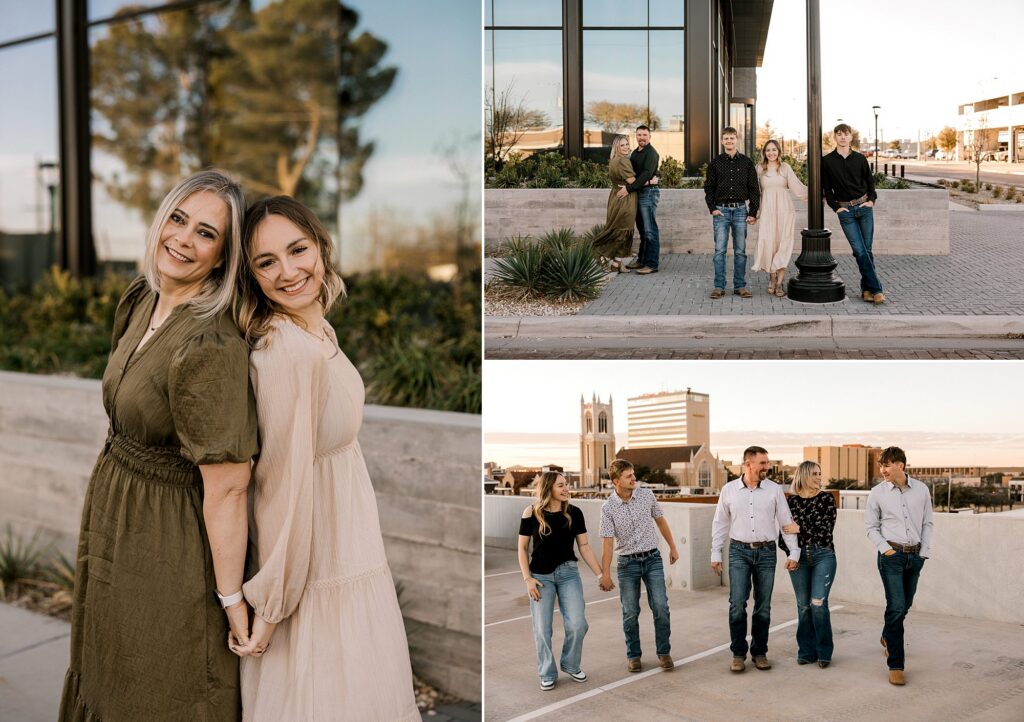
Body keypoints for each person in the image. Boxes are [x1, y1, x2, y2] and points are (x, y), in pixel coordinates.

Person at [60, 170, 258, 721]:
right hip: (115, 520)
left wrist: (231, 600)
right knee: (104, 668)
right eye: (177, 219)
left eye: (205, 233)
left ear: (223, 256)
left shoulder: (209, 343)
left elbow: (229, 486)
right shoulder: (143, 299)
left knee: (155, 684)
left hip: (169, 543)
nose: (182, 239)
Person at [232, 196, 419, 720]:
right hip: (314, 570)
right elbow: (280, 487)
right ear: (250, 277)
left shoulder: (316, 331)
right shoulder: (286, 352)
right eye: (266, 262)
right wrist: (270, 606)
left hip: (348, 545)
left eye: (298, 250)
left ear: (321, 247)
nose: (288, 271)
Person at [711, 446, 799, 673]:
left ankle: (760, 652)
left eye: (767, 463)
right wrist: (715, 553)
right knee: (737, 605)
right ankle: (738, 653)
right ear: (748, 464)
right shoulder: (729, 490)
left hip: (766, 552)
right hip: (738, 552)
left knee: (763, 607)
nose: (767, 467)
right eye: (762, 463)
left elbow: (785, 520)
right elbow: (720, 523)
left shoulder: (774, 490)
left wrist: (793, 551)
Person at [518, 471, 604, 691]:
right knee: (542, 628)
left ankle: (570, 663)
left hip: (568, 574)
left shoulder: (575, 512)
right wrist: (527, 578)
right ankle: (546, 672)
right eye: (561, 486)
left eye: (567, 485)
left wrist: (600, 574)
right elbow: (522, 548)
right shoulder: (531, 513)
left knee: (578, 624)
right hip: (540, 578)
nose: (567, 489)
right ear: (548, 489)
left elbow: (584, 546)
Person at [599, 459, 679, 673]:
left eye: (633, 474)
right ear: (616, 481)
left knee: (661, 607)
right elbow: (607, 543)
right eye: (628, 476)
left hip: (652, 559)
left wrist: (673, 547)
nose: (634, 478)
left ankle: (664, 652)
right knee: (630, 612)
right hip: (627, 564)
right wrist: (605, 574)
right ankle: (634, 655)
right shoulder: (608, 509)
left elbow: (661, 521)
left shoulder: (647, 495)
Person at [865, 446, 933, 686]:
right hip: (890, 556)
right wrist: (886, 549)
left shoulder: (922, 490)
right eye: (881, 465)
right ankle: (896, 664)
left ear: (900, 465)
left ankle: (887, 636)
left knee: (905, 606)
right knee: (896, 607)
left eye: (887, 464)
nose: (882, 469)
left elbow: (928, 523)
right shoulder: (876, 493)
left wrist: (923, 552)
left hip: (915, 557)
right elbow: (871, 528)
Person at [781, 461, 837, 668]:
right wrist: (791, 554)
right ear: (803, 475)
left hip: (824, 556)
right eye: (815, 473)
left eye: (820, 473)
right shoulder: (791, 503)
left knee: (818, 604)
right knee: (803, 607)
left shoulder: (826, 499)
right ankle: (806, 651)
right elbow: (784, 533)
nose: (819, 477)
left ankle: (824, 652)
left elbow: (825, 531)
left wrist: (800, 528)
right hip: (799, 558)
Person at [821, 123, 885, 304]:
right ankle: (876, 289)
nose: (842, 137)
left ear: (851, 137)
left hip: (864, 208)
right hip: (845, 211)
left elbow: (870, 182)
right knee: (859, 251)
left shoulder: (860, 158)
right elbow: (826, 188)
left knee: (867, 251)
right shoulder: (827, 161)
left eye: (846, 134)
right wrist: (836, 208)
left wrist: (871, 201)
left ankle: (867, 289)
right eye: (839, 134)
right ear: (834, 137)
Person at [704, 126, 760, 298]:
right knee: (719, 251)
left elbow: (754, 189)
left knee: (740, 251)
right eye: (726, 138)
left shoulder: (746, 162)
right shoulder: (715, 163)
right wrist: (712, 209)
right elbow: (709, 188)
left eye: (732, 138)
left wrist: (752, 212)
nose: (729, 141)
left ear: (737, 140)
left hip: (741, 211)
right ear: (722, 141)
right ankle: (719, 287)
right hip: (721, 211)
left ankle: (740, 286)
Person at [591, 135, 658, 272]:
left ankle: (616, 264)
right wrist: (651, 182)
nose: (626, 147)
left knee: (621, 229)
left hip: (617, 196)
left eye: (627, 144)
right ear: (617, 147)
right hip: (625, 199)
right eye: (622, 145)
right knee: (623, 230)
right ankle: (602, 255)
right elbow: (633, 182)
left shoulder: (614, 160)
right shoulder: (622, 161)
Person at [752, 139, 807, 297]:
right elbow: (755, 194)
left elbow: (797, 188)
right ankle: (772, 278)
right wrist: (754, 213)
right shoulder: (759, 169)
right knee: (769, 243)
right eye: (768, 150)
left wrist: (816, 194)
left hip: (785, 211)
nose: (771, 153)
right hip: (768, 211)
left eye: (774, 150)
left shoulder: (785, 168)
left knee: (783, 244)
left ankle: (779, 282)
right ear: (764, 153)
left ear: (779, 152)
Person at [619, 125, 661, 275]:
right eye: (639, 135)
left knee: (650, 230)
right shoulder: (635, 153)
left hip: (648, 193)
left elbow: (646, 174)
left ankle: (652, 264)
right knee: (643, 230)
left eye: (644, 135)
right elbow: (632, 173)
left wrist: (629, 189)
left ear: (649, 136)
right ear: (635, 136)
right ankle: (641, 261)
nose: (642, 137)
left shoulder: (651, 153)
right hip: (638, 193)